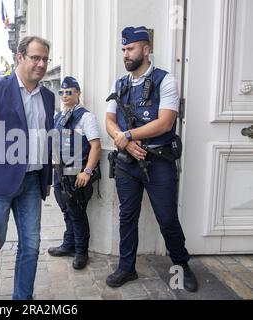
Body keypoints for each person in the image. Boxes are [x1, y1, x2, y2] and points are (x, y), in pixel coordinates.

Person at [105, 26, 198, 292]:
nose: (125, 54)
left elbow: (165, 122)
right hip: (126, 162)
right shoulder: (119, 84)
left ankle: (181, 266)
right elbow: (109, 120)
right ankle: (126, 268)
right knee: (127, 216)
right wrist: (125, 141)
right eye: (123, 49)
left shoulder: (165, 80)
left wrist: (128, 135)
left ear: (146, 49)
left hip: (158, 163)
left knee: (167, 218)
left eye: (130, 48)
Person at [0, 36, 55, 300]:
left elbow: (47, 138)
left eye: (45, 59)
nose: (41, 64)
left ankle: (23, 298)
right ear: (20, 57)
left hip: (32, 182)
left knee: (31, 245)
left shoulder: (48, 97)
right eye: (35, 58)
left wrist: (47, 176)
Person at [48, 77, 101, 270]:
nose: (64, 96)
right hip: (60, 173)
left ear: (78, 93)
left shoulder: (86, 117)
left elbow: (96, 146)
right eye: (61, 92)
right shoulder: (58, 116)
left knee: (77, 214)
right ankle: (68, 245)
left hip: (77, 174)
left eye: (69, 92)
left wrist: (87, 171)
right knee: (66, 211)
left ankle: (81, 252)